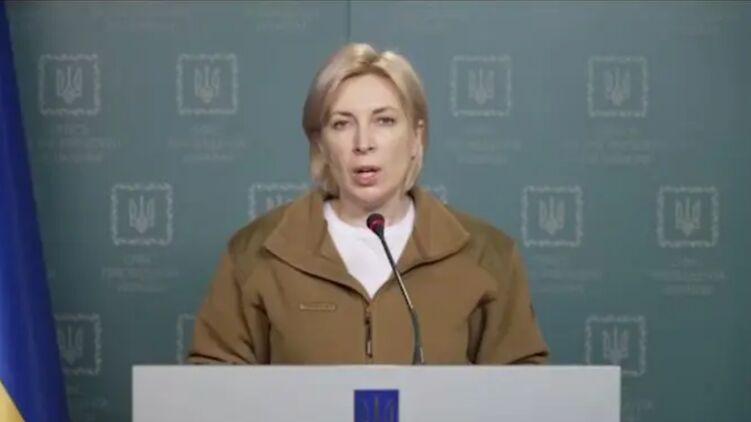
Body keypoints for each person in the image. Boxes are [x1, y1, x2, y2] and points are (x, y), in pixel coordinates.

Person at [188, 43, 548, 365]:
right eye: (342, 124)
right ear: (321, 143)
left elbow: (523, 392)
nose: (364, 143)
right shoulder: (255, 253)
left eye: (384, 121)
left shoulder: (487, 255)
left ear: (416, 137)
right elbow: (211, 389)